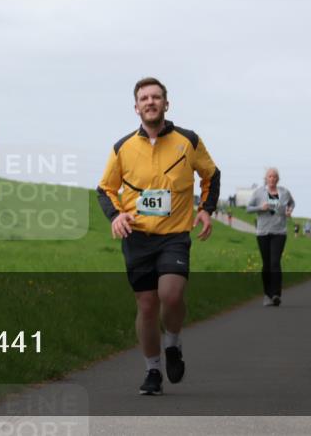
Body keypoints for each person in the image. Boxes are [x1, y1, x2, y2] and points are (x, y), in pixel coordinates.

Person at [97, 77, 220, 396]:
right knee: (148, 305)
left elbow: (211, 175)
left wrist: (206, 209)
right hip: (137, 237)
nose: (150, 102)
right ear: (136, 107)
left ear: (166, 104)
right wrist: (116, 215)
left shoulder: (188, 140)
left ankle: (174, 344)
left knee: (172, 294)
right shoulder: (122, 147)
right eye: (144, 98)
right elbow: (106, 189)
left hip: (174, 235)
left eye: (156, 97)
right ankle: (153, 370)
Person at [247, 169, 294, 307]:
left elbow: (292, 203)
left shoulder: (284, 192)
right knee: (266, 264)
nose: (272, 179)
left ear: (278, 179)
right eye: (269, 176)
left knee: (275, 262)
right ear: (266, 178)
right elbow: (248, 208)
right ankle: (267, 294)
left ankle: (276, 294)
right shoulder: (259, 193)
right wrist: (261, 208)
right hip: (263, 232)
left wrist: (289, 210)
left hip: (279, 232)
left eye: (274, 176)